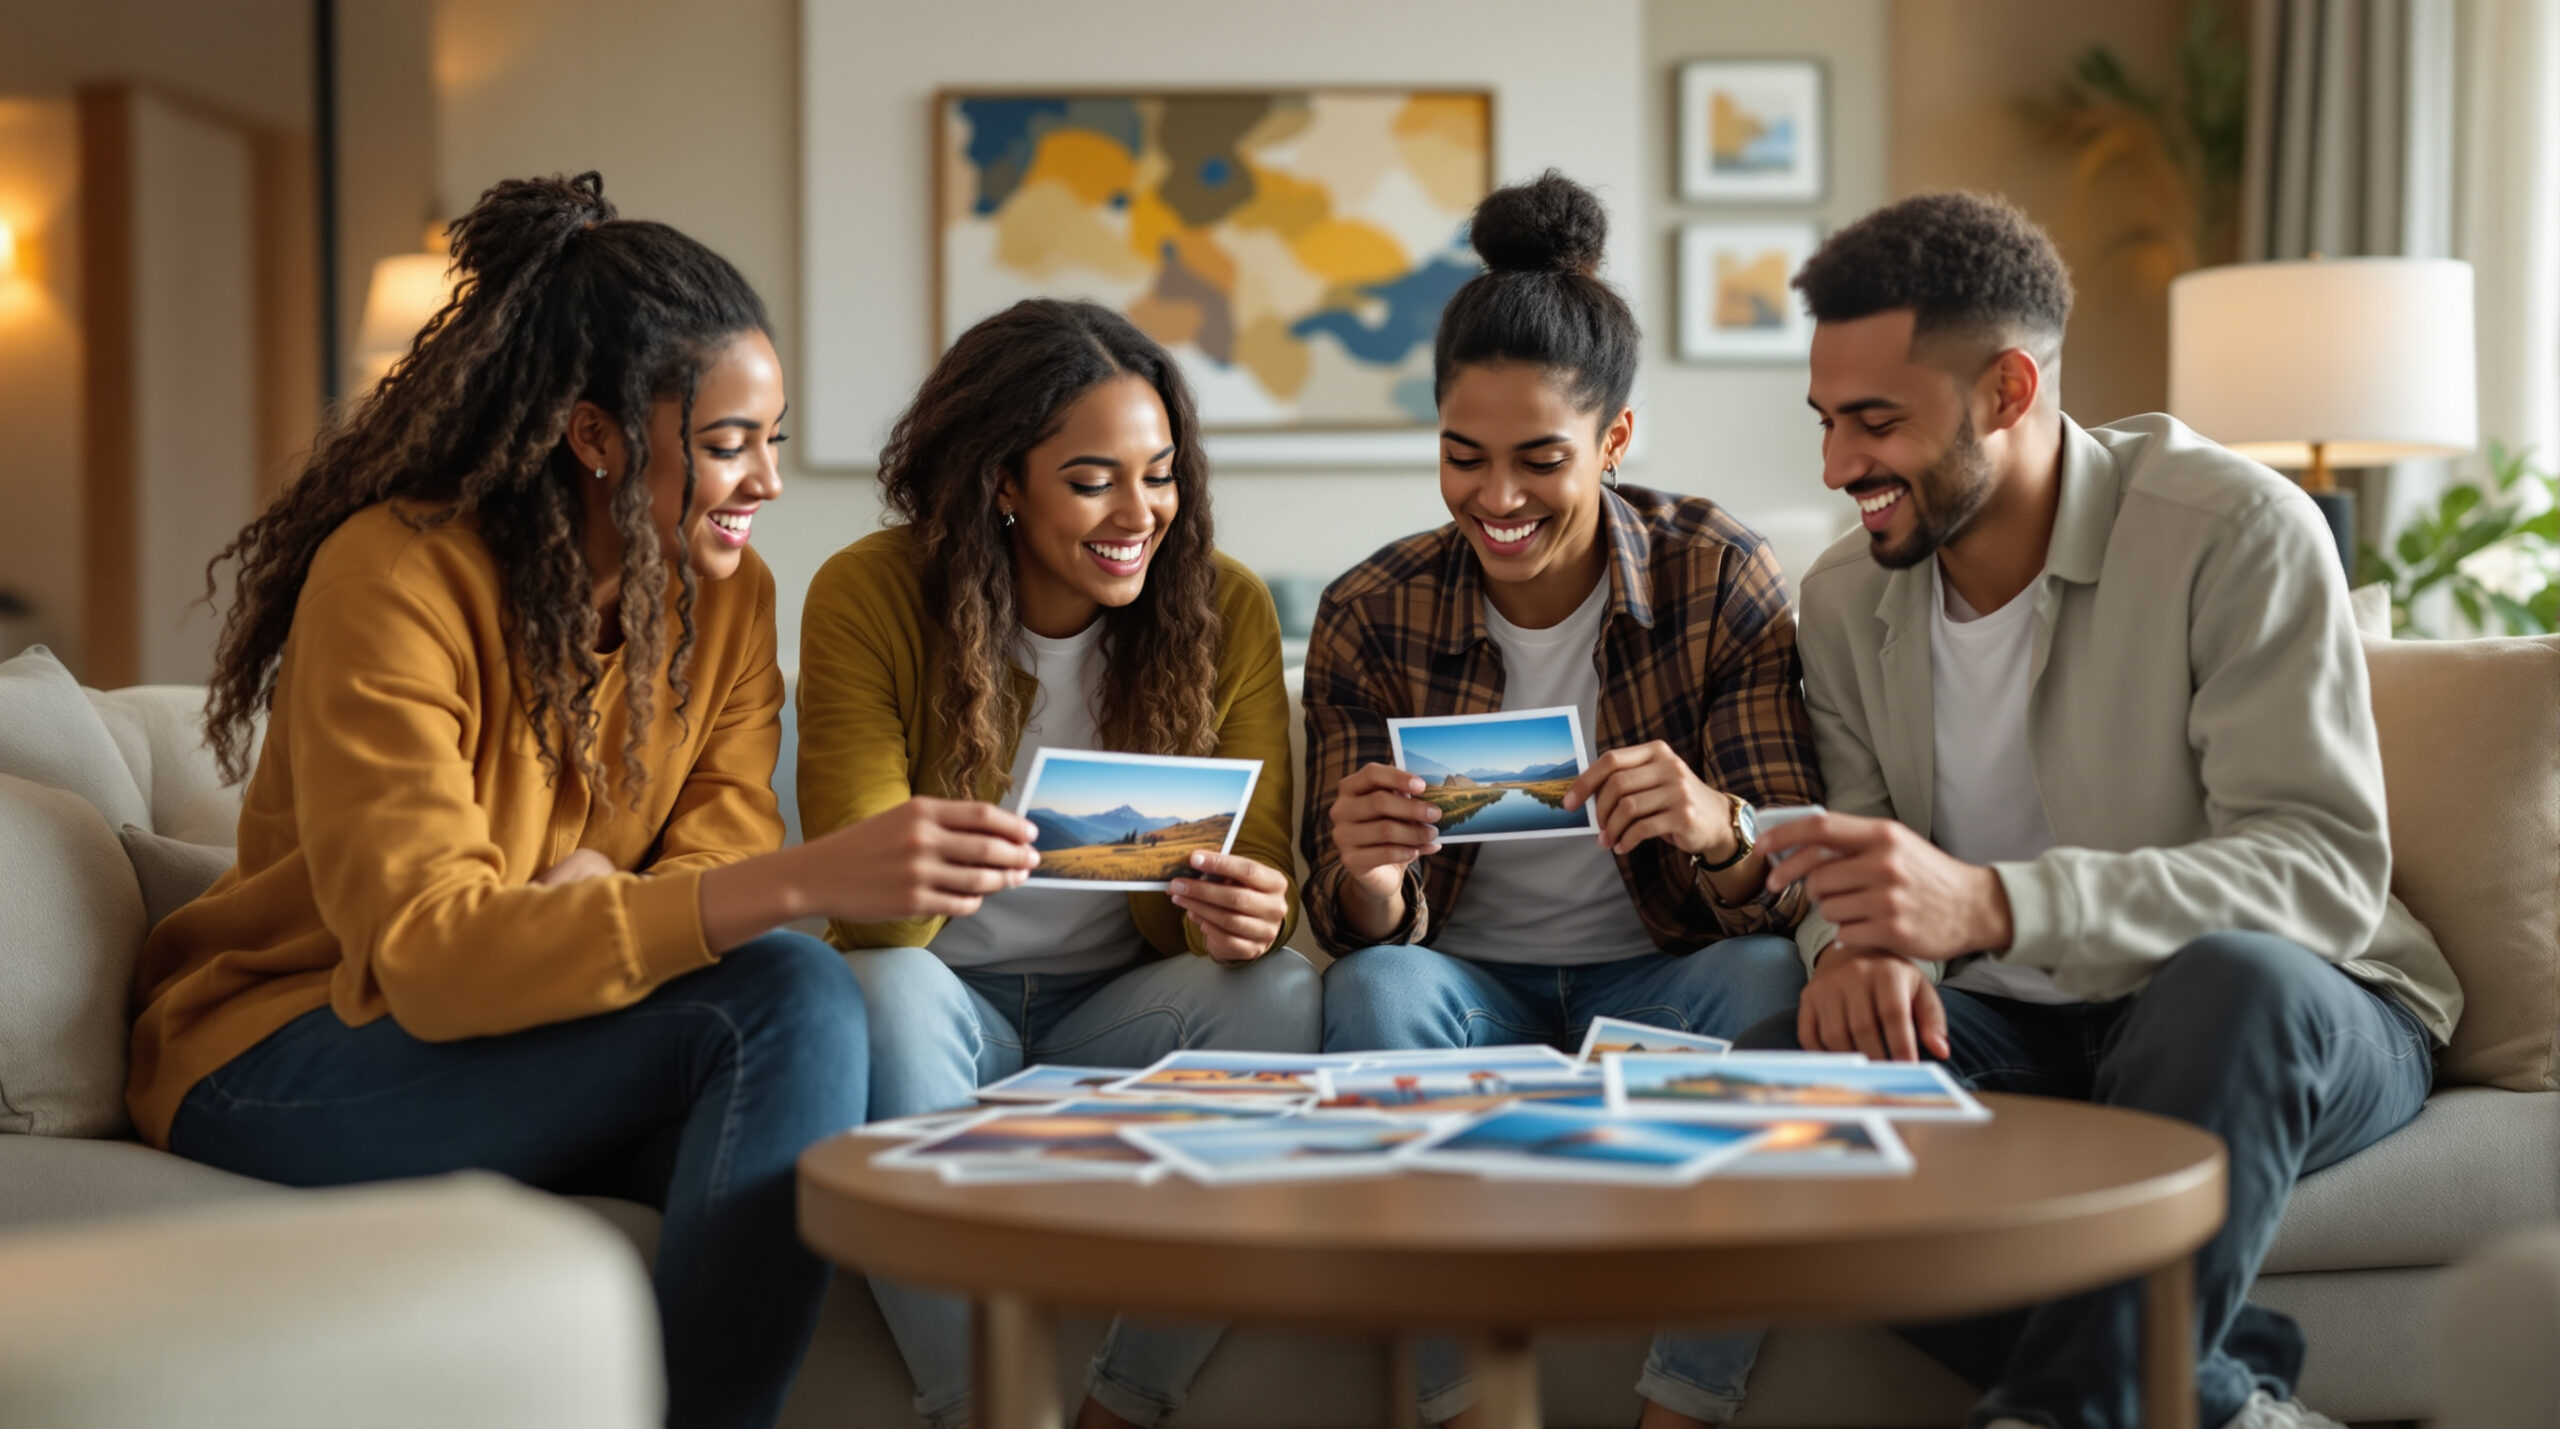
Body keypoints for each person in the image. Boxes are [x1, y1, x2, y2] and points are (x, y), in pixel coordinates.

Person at [127, 173, 1027, 1429]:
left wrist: (616, 908)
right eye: (726, 445)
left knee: (814, 1075)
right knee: (791, 990)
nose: (766, 480)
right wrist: (809, 879)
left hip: (541, 1029)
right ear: (595, 436)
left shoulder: (730, 600)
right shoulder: (397, 576)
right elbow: (433, 958)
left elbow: (710, 847)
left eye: (771, 438)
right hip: (290, 1050)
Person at [1748, 191, 2462, 1429]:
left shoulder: (2233, 530)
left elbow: (2316, 870)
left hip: (2288, 1012)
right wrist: (1853, 946)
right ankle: (2210, 1397)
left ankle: (2071, 1411)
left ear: (2009, 392)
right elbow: (1846, 854)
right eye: (1823, 423)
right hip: (2011, 1033)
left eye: (1875, 423)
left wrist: (1992, 903)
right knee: (1767, 1097)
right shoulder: (1842, 596)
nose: (1834, 468)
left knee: (2228, 980)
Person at [1301, 171, 1821, 1429]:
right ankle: (1473, 1409)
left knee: (1768, 988)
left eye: (1540, 460)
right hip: (1463, 990)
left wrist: (1720, 827)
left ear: (1616, 440)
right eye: (1461, 458)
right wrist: (1366, 885)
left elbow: (1790, 871)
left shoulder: (1720, 576)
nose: (1497, 500)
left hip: (1664, 982)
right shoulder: (1370, 611)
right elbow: (1348, 926)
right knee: (1371, 988)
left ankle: (1680, 1407)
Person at [796, 298, 1319, 1429]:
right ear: (1000, 481)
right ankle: (991, 1407)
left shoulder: (1220, 604)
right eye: (1093, 481)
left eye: (1162, 473)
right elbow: (870, 913)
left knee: (1278, 989)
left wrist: (1244, 913)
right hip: (944, 1000)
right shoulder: (869, 592)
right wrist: (970, 834)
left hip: (1116, 1007)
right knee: (875, 990)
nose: (1141, 514)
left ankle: (1123, 1402)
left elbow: (1258, 878)